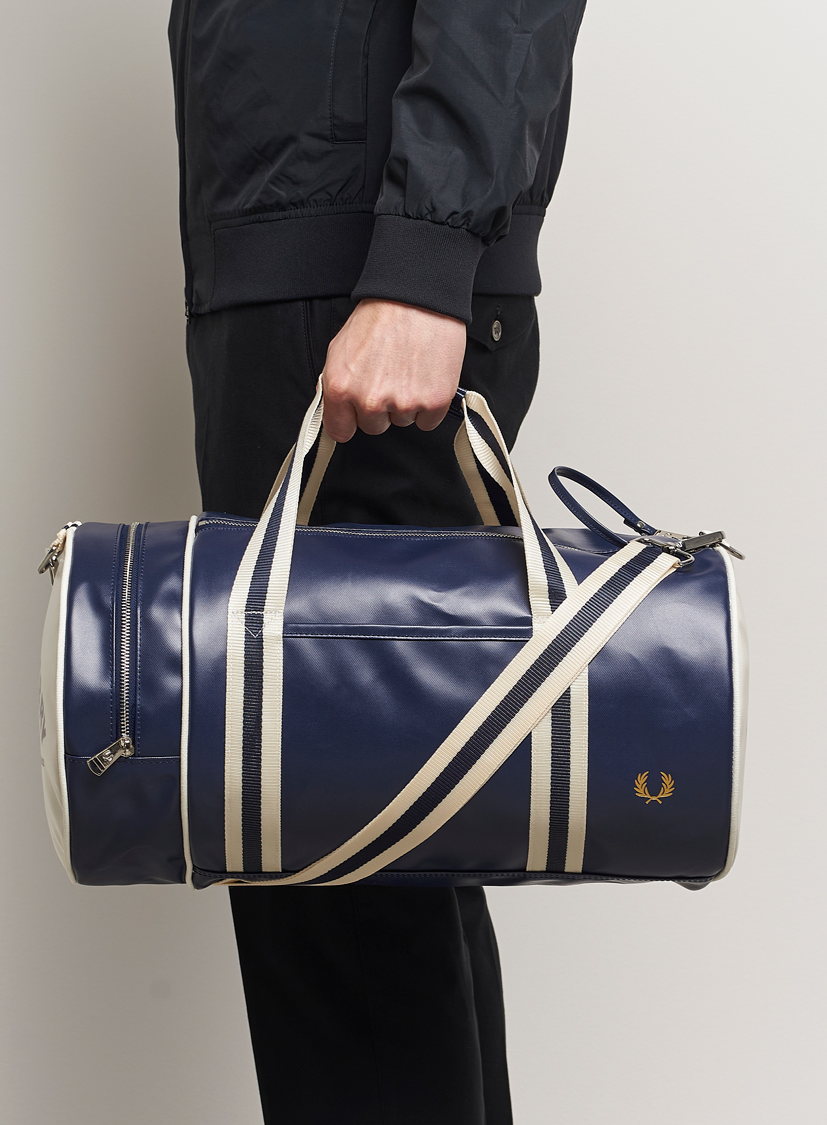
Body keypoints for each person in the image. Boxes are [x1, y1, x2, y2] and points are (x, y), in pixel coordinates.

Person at [168, 3, 586, 1122]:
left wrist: (422, 258)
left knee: (346, 891)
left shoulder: (392, 272)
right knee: (371, 886)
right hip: (297, 276)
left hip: (359, 286)